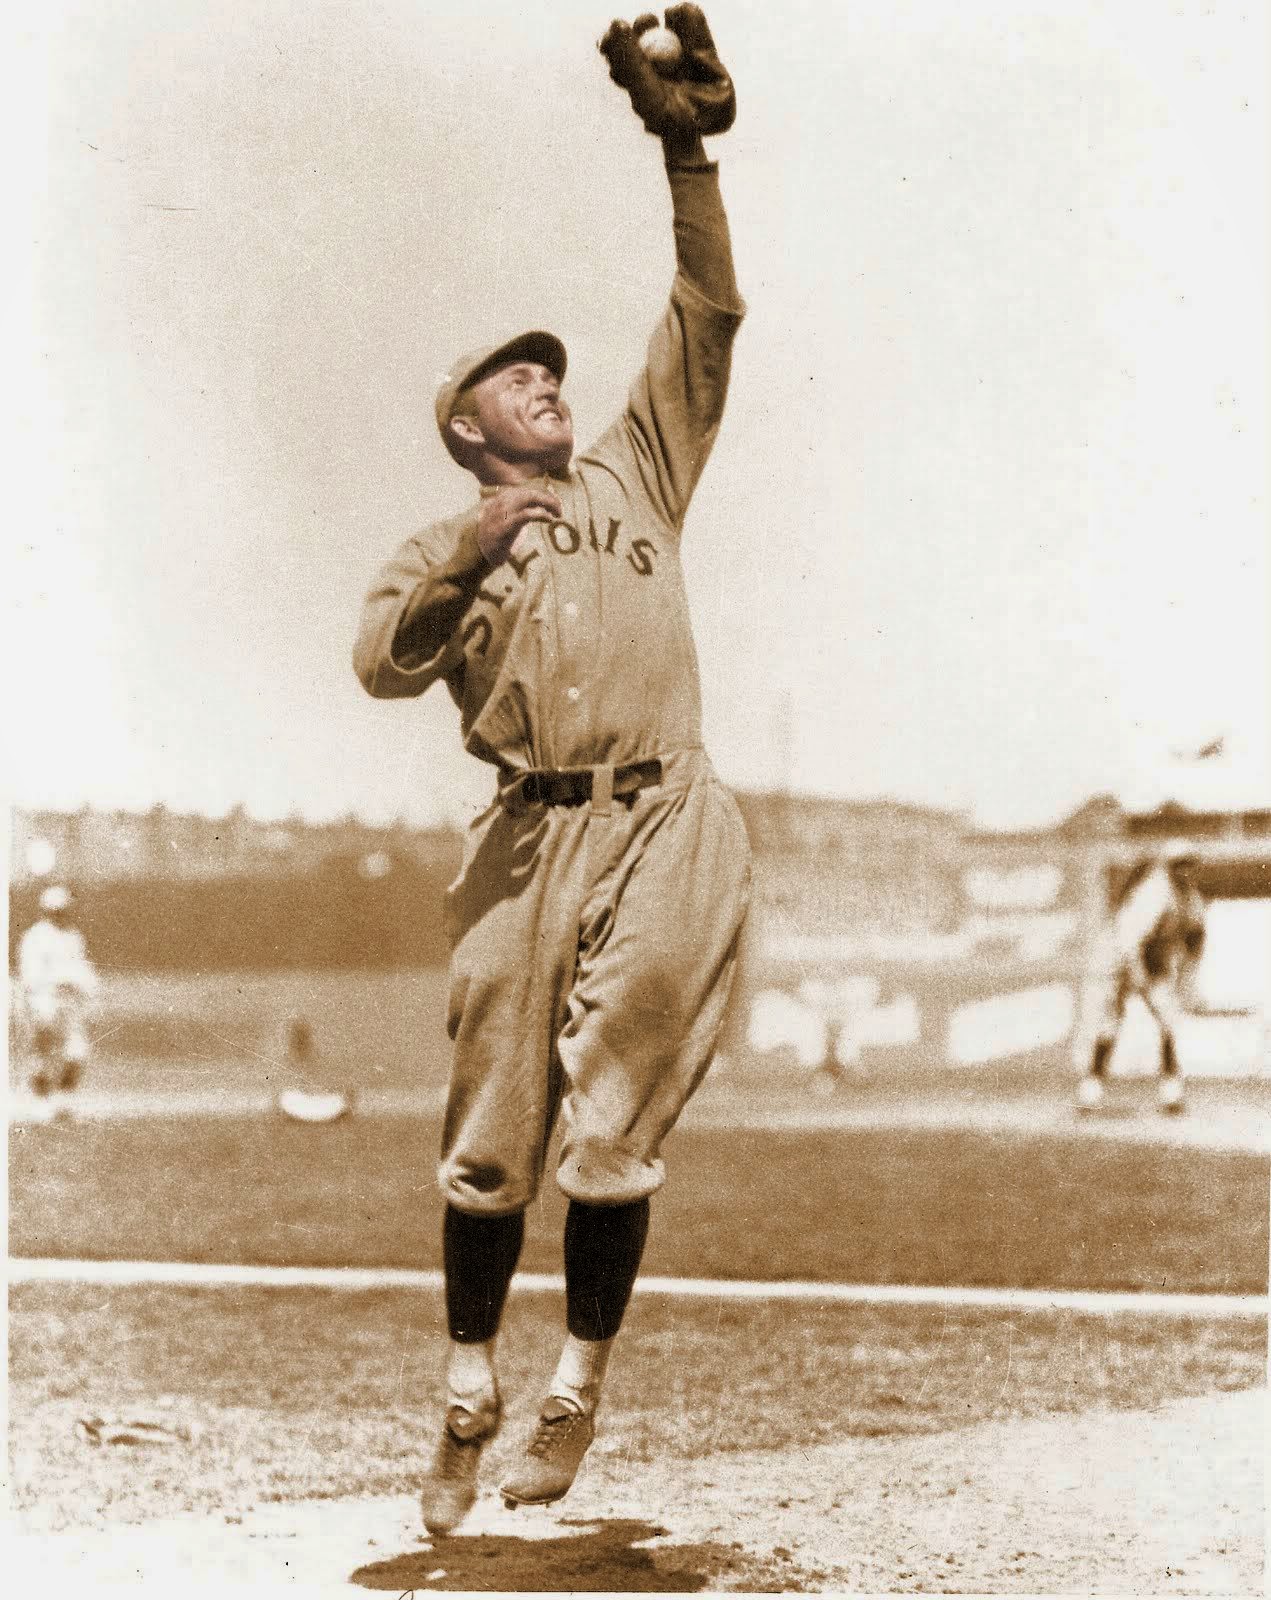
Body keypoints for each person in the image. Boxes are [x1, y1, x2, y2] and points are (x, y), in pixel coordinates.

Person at [352, 7, 751, 1535]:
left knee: (607, 1136)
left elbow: (705, 314)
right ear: (466, 430)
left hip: (663, 818)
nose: (545, 384)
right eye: (514, 381)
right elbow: (382, 663)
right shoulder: (440, 538)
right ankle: (468, 1385)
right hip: (524, 844)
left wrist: (685, 150)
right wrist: (463, 558)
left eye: (549, 372)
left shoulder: (632, 471)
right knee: (485, 1151)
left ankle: (576, 1380)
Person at [1072, 842, 1207, 1115]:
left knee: (1168, 1021)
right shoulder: (1154, 893)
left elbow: (1196, 937)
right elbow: (1129, 941)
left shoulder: (1190, 898)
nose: (1186, 870)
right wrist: (1139, 977)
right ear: (1170, 867)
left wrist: (1188, 976)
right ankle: (1089, 1091)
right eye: (1180, 864)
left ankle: (1172, 1095)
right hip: (1118, 962)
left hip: (1151, 962)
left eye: (1190, 863)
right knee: (1110, 1024)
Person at [16, 884, 99, 1117]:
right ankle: (41, 1101)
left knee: (77, 1051)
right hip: (43, 999)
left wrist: (87, 990)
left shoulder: (74, 937)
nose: (61, 914)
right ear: (47, 910)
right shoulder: (34, 937)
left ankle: (63, 1099)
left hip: (70, 1001)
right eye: (56, 910)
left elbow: (83, 969)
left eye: (64, 910)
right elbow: (30, 975)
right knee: (42, 1053)